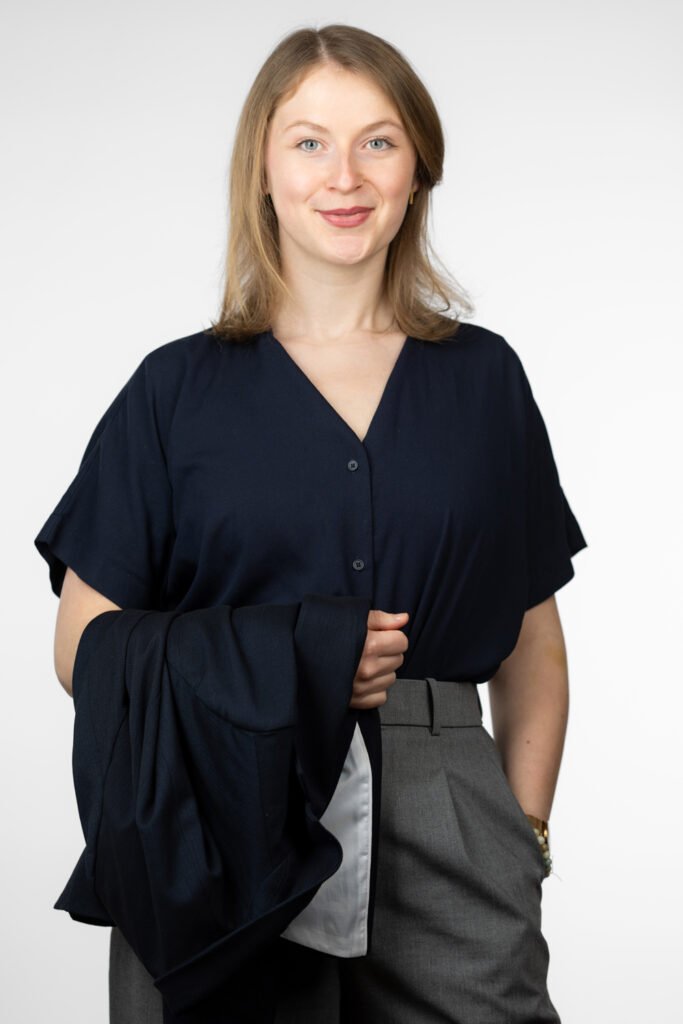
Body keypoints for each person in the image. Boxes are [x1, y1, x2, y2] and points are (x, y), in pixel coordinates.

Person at [35, 22, 587, 1024]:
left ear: (417, 168)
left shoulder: (483, 381)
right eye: (308, 142)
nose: (344, 175)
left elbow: (533, 644)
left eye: (377, 141)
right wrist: (291, 659)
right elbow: (82, 646)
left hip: (443, 800)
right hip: (220, 805)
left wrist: (520, 833)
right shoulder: (173, 392)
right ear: (262, 168)